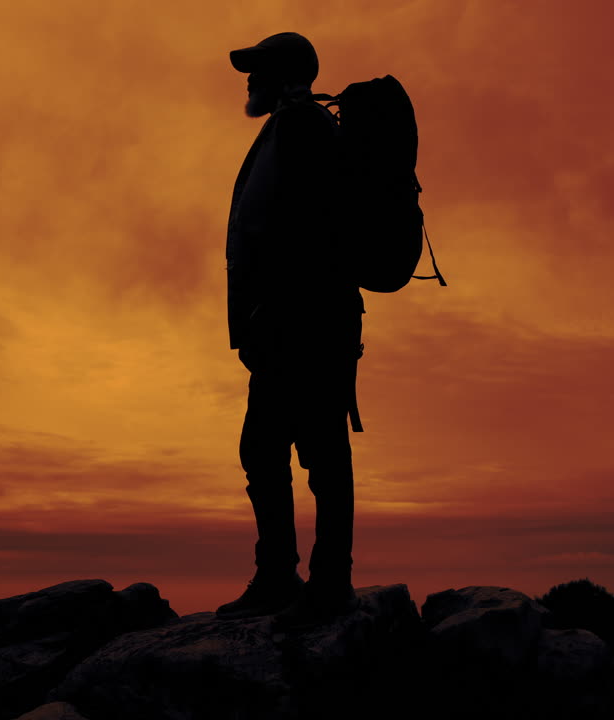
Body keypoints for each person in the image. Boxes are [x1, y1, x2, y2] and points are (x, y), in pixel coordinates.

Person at [215, 32, 366, 630]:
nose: (248, 81)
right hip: (298, 323)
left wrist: (270, 311)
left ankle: (320, 584)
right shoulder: (293, 127)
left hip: (305, 324)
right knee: (278, 449)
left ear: (283, 75)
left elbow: (308, 229)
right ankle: (290, 576)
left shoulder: (301, 128)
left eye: (257, 71)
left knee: (316, 452)